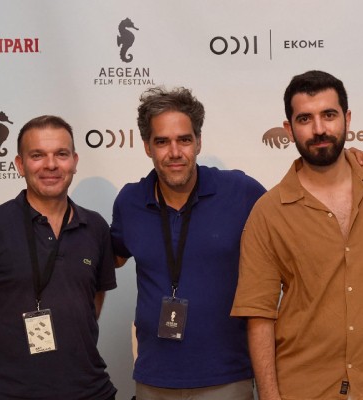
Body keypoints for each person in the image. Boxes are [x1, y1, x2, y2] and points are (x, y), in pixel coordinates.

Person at [231, 70, 363, 400]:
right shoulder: (268, 213)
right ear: (289, 129)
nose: (319, 129)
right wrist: (269, 395)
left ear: (347, 119)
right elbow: (259, 315)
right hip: (305, 386)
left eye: (329, 115)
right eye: (305, 119)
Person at [110, 87, 266, 400]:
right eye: (162, 142)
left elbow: (295, 217)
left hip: (226, 379)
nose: (175, 152)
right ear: (147, 146)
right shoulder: (130, 201)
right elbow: (105, 258)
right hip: (153, 380)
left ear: (198, 142)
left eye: (184, 139)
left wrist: (346, 163)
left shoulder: (240, 191)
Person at [0, 115, 117, 400]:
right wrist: (2, 366)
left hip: (91, 391)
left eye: (61, 154)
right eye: (37, 155)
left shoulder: (96, 227)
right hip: (12, 394)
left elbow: (93, 299)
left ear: (74, 161)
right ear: (20, 164)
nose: (51, 165)